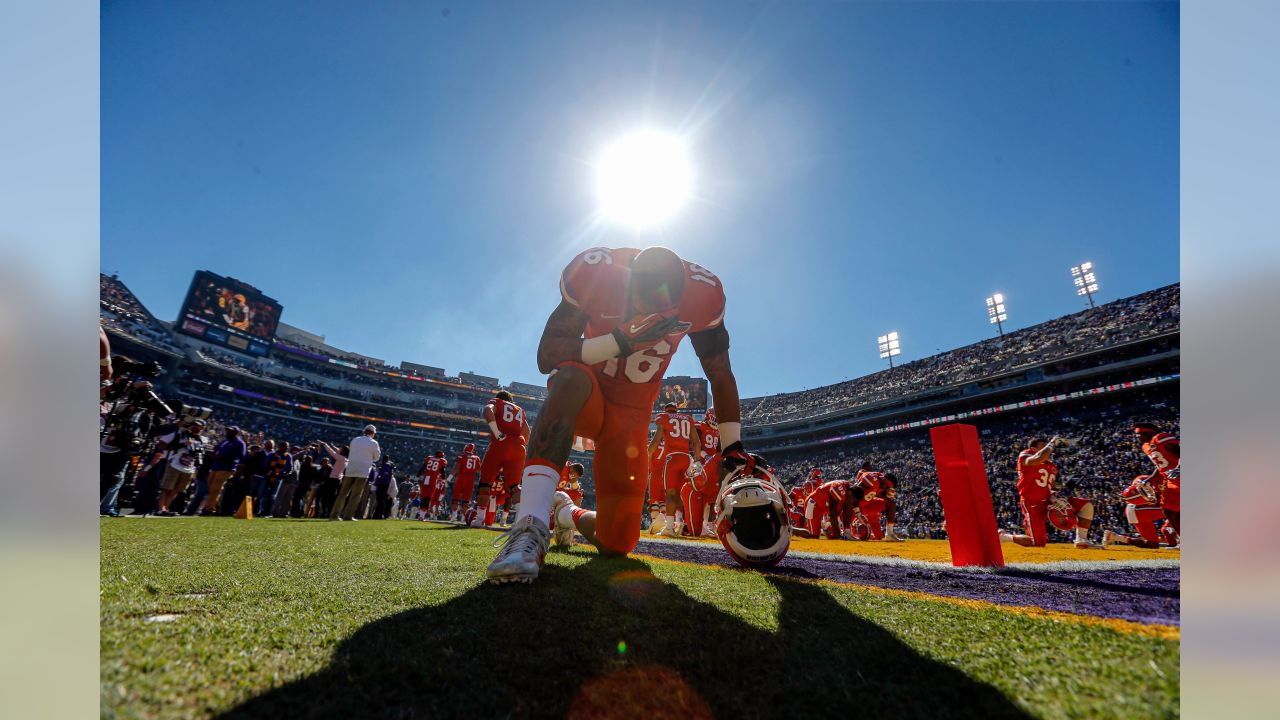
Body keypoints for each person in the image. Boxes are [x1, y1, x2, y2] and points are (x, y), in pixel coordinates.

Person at [487, 246, 750, 584]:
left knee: (618, 542)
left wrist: (733, 448)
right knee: (568, 378)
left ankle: (565, 512)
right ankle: (530, 526)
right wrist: (617, 341)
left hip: (631, 420)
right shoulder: (599, 272)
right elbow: (547, 355)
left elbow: (720, 372)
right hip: (589, 392)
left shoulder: (704, 292)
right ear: (628, 285)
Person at [1000, 437, 1100, 549]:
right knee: (1037, 543)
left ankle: (1081, 539)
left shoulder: (1051, 465)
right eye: (1044, 445)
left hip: (1048, 500)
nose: (1048, 448)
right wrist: (1052, 443)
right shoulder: (1026, 454)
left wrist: (1056, 495)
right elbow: (1037, 459)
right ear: (1033, 448)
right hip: (1033, 502)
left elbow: (1051, 486)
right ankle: (1004, 536)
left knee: (1086, 506)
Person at [647, 402, 703, 536]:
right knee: (681, 493)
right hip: (686, 457)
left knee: (670, 494)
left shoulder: (664, 418)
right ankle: (681, 522)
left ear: (666, 411)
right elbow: (696, 441)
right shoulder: (688, 419)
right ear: (676, 411)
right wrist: (698, 460)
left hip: (672, 458)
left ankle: (670, 527)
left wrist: (647, 454)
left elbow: (656, 441)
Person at [1134, 422, 1180, 541]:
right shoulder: (1146, 447)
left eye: (1139, 434)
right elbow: (1160, 465)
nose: (1137, 437)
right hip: (1172, 480)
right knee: (1169, 510)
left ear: (1149, 433)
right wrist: (1151, 478)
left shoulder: (1160, 438)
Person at [154, 418, 207, 515]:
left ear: (202, 427)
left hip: (189, 467)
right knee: (166, 487)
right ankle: (161, 509)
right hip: (175, 464)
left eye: (198, 426)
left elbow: (201, 454)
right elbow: (170, 446)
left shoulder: (203, 440)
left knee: (177, 490)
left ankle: (166, 508)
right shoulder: (182, 434)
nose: (195, 427)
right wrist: (184, 444)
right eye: (194, 425)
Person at [1102, 476, 1167, 549]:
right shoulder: (1142, 485)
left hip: (1133, 511)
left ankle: (1115, 537)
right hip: (1138, 510)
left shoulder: (1144, 480)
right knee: (1174, 510)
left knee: (1152, 545)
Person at [332, 425, 379, 521]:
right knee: (356, 495)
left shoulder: (355, 440)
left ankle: (334, 515)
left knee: (343, 493)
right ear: (373, 433)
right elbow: (377, 458)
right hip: (363, 471)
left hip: (350, 469)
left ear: (364, 431)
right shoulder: (374, 443)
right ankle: (348, 516)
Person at [200, 426, 246, 515]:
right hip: (216, 467)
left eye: (231, 431)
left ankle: (208, 509)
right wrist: (213, 454)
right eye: (228, 431)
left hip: (227, 468)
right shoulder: (224, 441)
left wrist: (224, 457)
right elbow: (216, 450)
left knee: (215, 489)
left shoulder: (239, 443)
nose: (228, 432)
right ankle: (217, 508)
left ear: (236, 433)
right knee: (210, 488)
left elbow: (241, 456)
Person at [445, 443, 482, 521]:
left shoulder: (461, 457)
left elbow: (456, 469)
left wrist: (448, 479)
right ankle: (463, 518)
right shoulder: (476, 458)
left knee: (455, 499)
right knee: (466, 501)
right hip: (470, 481)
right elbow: (479, 470)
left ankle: (454, 517)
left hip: (461, 479)